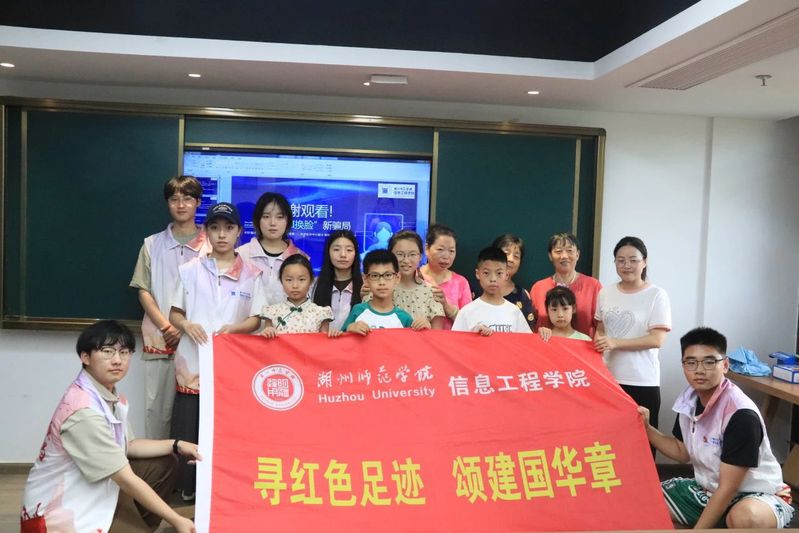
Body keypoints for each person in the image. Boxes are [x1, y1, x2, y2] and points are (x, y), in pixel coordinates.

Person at [20, 320, 201, 533]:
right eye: (107, 352)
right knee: (135, 481)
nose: (117, 360)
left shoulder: (105, 393)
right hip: (61, 509)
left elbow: (129, 445)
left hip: (91, 485)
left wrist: (177, 444)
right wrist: (176, 519)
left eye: (124, 352)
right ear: (85, 357)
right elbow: (126, 478)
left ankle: (137, 525)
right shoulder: (83, 412)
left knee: (165, 462)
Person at [639, 327, 794, 529]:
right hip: (707, 490)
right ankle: (720, 522)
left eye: (709, 362)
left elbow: (728, 488)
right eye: (691, 362)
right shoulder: (688, 402)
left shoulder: (740, 414)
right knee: (642, 499)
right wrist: (647, 428)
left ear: (725, 365)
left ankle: (728, 522)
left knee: (746, 518)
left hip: (756, 495)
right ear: (683, 365)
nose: (700, 370)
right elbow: (681, 452)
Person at [168, 202, 263, 500]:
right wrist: (186, 324)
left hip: (232, 367)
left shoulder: (252, 274)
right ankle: (188, 489)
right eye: (215, 228)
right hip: (192, 366)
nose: (222, 234)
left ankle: (224, 490)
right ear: (206, 231)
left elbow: (257, 318)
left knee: (228, 428)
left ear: (239, 232)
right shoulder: (189, 270)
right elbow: (174, 313)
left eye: (228, 228)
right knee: (190, 426)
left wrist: (235, 329)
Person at [129, 175, 208, 439]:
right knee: (157, 414)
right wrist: (167, 327)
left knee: (197, 415)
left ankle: (192, 466)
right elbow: (143, 290)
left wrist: (183, 329)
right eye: (174, 199)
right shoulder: (152, 244)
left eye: (187, 199)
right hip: (160, 340)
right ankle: (158, 466)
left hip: (199, 343)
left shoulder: (212, 245)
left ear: (198, 202)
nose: (181, 205)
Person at [594, 236, 671, 442]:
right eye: (620, 260)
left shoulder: (657, 295)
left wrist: (615, 343)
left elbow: (657, 339)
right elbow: (600, 328)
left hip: (642, 380)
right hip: (609, 379)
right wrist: (599, 342)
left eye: (633, 260)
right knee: (610, 443)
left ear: (644, 262)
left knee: (642, 443)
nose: (626, 265)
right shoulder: (605, 293)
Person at [229, 254, 340, 338]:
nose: (295, 285)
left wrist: (333, 335)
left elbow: (323, 344)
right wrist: (267, 332)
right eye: (289, 280)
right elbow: (267, 343)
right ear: (281, 281)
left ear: (311, 281)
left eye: (301, 280)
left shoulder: (321, 313)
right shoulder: (272, 311)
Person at [236, 192, 307, 305]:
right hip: (246, 317)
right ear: (257, 220)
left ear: (288, 221)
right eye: (266, 216)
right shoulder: (240, 254)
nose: (273, 223)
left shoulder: (300, 258)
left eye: (280, 217)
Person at [368, 230, 444, 329]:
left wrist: (427, 327)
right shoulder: (379, 287)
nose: (406, 260)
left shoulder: (430, 292)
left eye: (412, 254)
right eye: (400, 254)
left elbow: (438, 334)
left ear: (420, 256)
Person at [530, 232, 601, 338]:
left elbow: (601, 327)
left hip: (584, 347)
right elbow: (530, 326)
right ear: (550, 256)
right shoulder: (538, 288)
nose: (564, 256)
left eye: (569, 250)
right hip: (545, 347)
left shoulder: (593, 286)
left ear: (577, 254)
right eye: (558, 251)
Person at [452, 247, 532, 336]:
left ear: (506, 275)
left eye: (499, 273)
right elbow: (455, 342)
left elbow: (526, 341)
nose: (493, 279)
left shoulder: (514, 311)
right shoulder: (467, 312)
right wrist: (474, 335)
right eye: (486, 273)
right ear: (478, 274)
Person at [472, 234, 535, 331]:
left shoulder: (522, 295)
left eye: (516, 256)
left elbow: (528, 333)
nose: (511, 259)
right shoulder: (475, 291)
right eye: (506, 253)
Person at [342, 249, 414, 334]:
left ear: (397, 278)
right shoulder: (358, 311)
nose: (382, 282)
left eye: (388, 275)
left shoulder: (405, 318)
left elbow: (414, 341)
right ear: (365, 279)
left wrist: (424, 328)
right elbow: (341, 339)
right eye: (375, 276)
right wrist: (349, 328)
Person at [419, 223, 472, 329]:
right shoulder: (414, 277)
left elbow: (469, 322)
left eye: (451, 251)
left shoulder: (461, 283)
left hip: (451, 339)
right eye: (440, 249)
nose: (446, 256)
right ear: (427, 248)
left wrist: (446, 305)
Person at [311, 230, 363, 331]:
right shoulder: (313, 285)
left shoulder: (365, 285)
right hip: (321, 339)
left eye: (349, 250)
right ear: (328, 252)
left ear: (356, 254)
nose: (343, 254)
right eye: (336, 249)